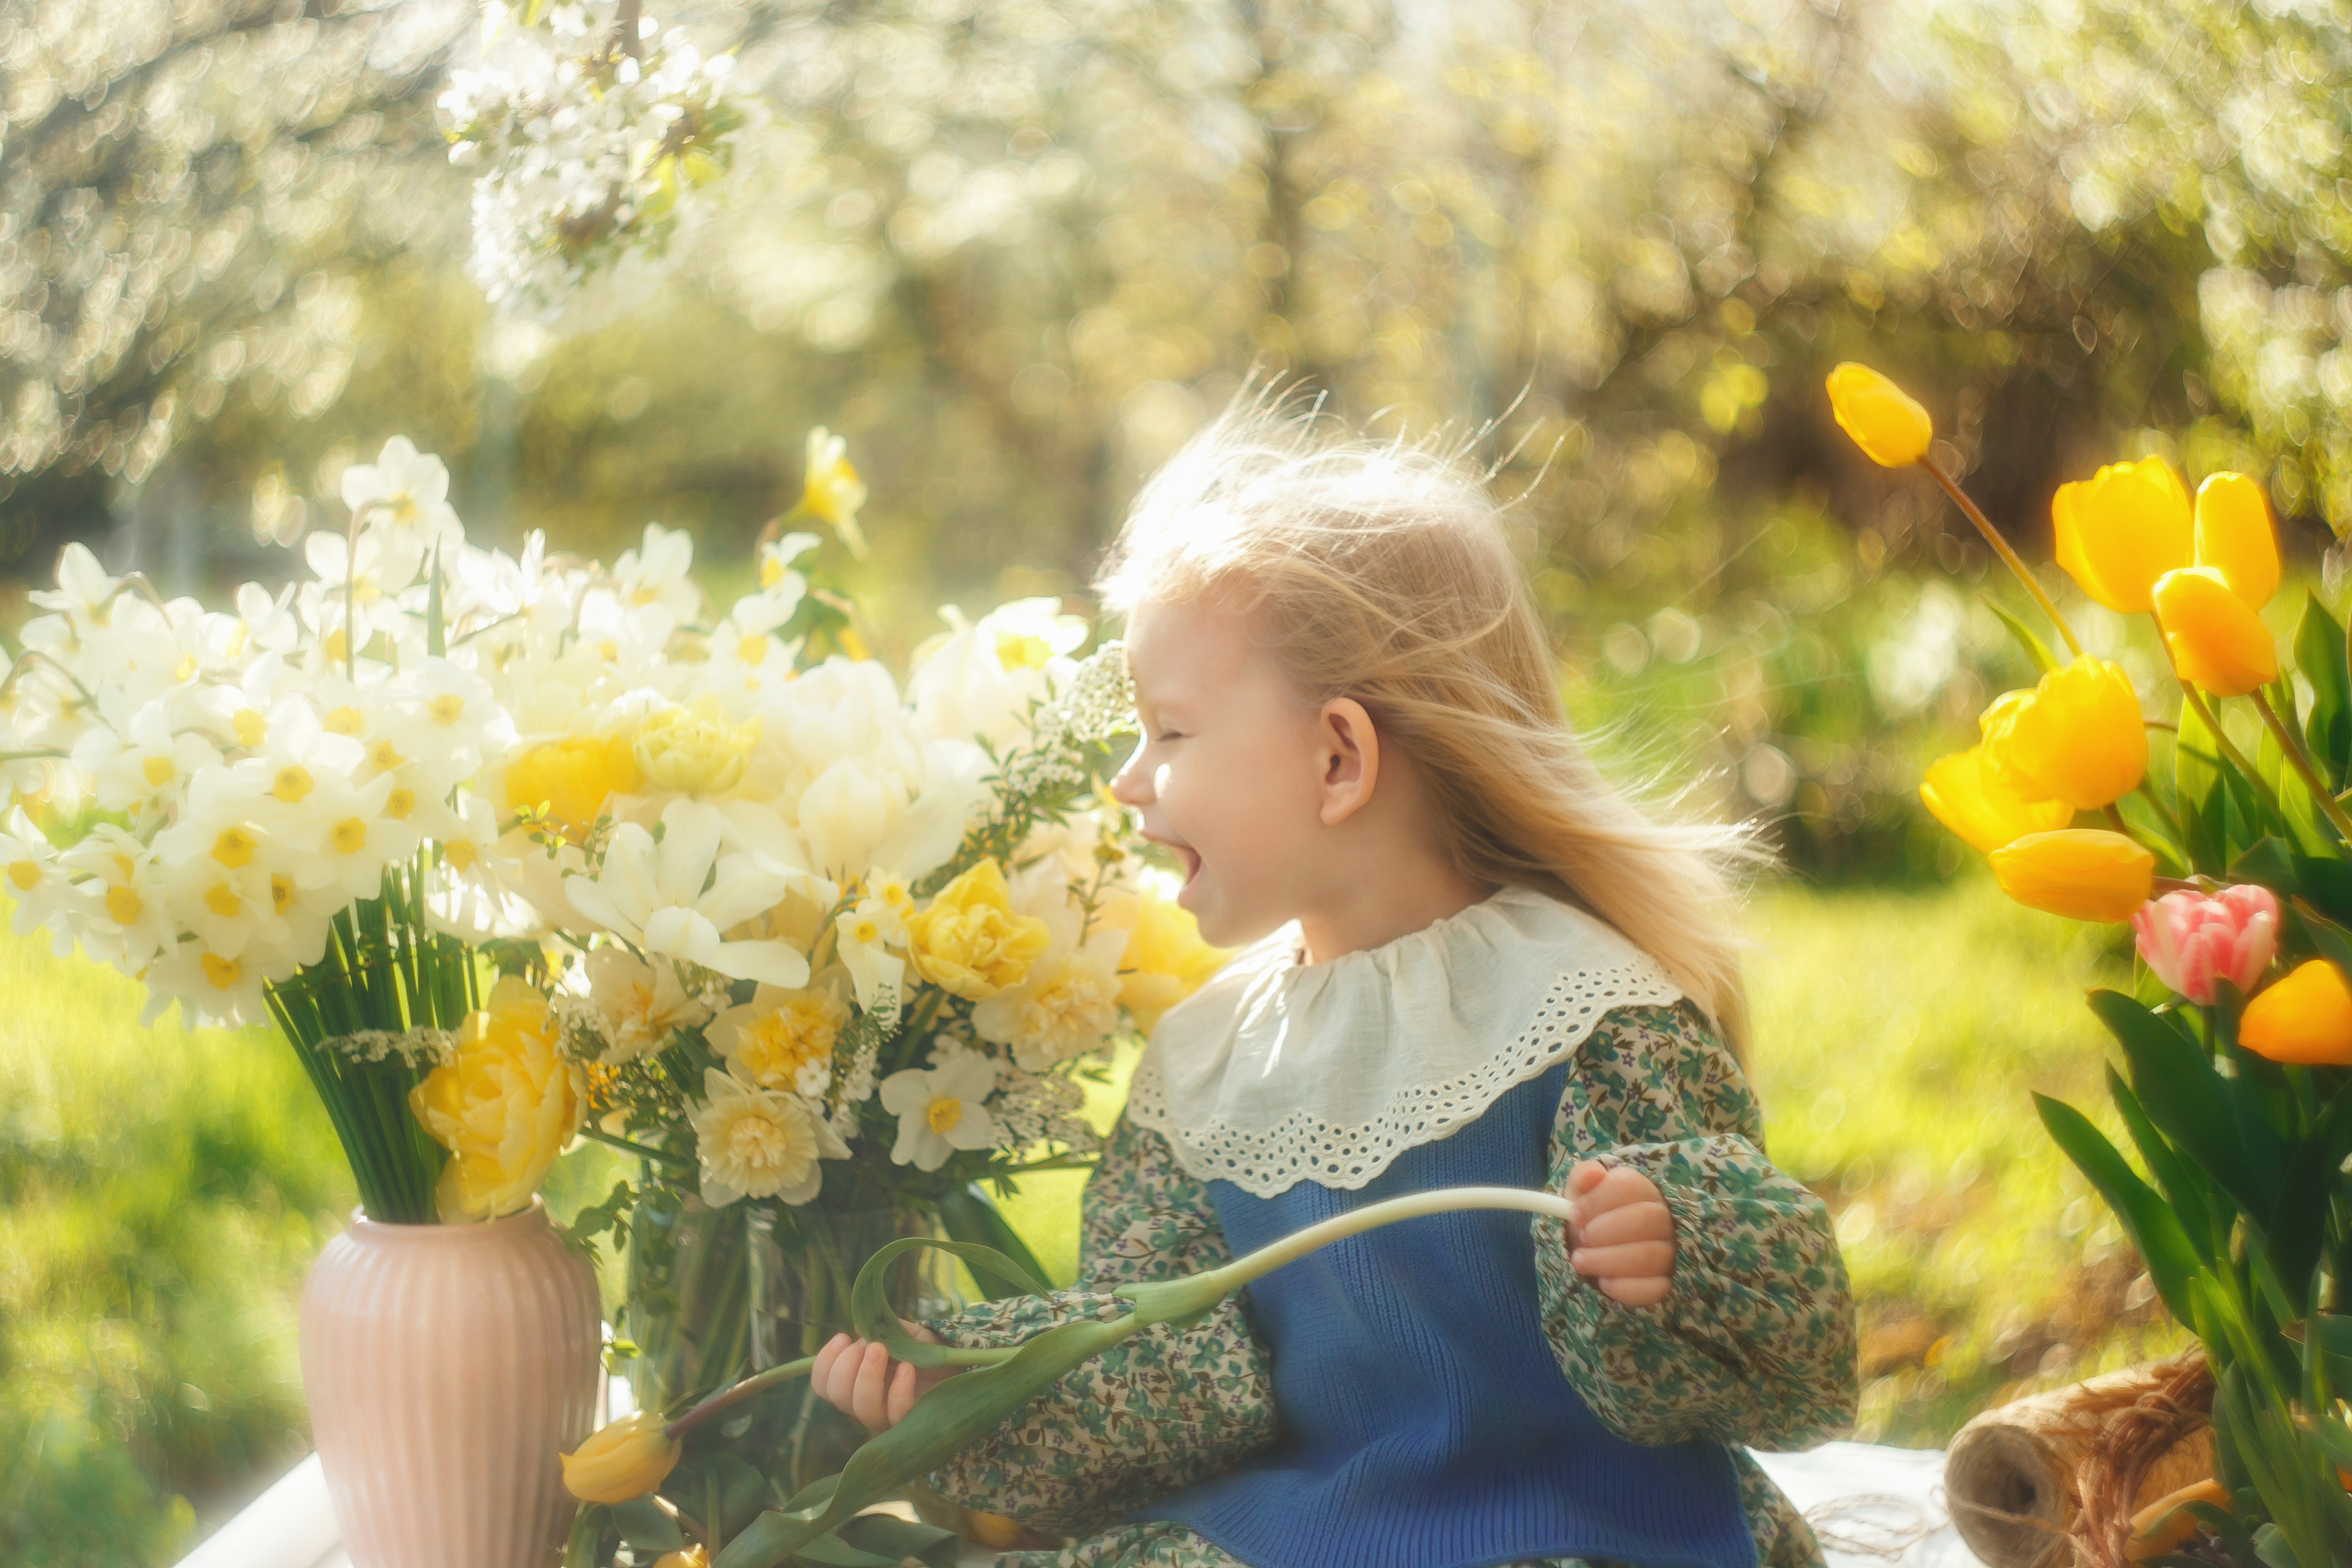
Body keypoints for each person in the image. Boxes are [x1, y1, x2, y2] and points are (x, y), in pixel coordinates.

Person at [810, 399, 1858, 1568]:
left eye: (1169, 732)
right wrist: (967, 1388)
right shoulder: (1204, 1059)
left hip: (1583, 1518)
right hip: (1310, 1526)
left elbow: (1774, 1341)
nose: (1126, 781)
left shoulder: (1585, 1006)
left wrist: (1679, 1249)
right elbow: (1177, 1373)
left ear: (1338, 758)